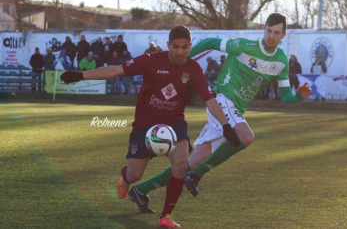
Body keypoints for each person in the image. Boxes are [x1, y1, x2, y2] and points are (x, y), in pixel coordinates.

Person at [59, 25, 240, 229]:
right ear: (168, 45)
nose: (180, 52)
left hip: (174, 124)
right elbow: (116, 70)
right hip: (145, 125)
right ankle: (126, 178)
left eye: (184, 47)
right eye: (175, 47)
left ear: (190, 46)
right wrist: (81, 75)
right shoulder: (151, 60)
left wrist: (226, 126)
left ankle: (166, 216)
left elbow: (210, 100)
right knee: (135, 175)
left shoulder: (193, 69)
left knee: (181, 165)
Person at [129, 13, 312, 212]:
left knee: (193, 162)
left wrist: (299, 96)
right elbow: (210, 42)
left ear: (283, 36)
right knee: (246, 137)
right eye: (268, 31)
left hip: (235, 109)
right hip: (222, 100)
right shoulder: (242, 45)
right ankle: (197, 175)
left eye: (277, 33)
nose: (271, 36)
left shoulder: (281, 61)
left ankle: (140, 190)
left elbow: (285, 96)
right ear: (263, 30)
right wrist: (183, 60)